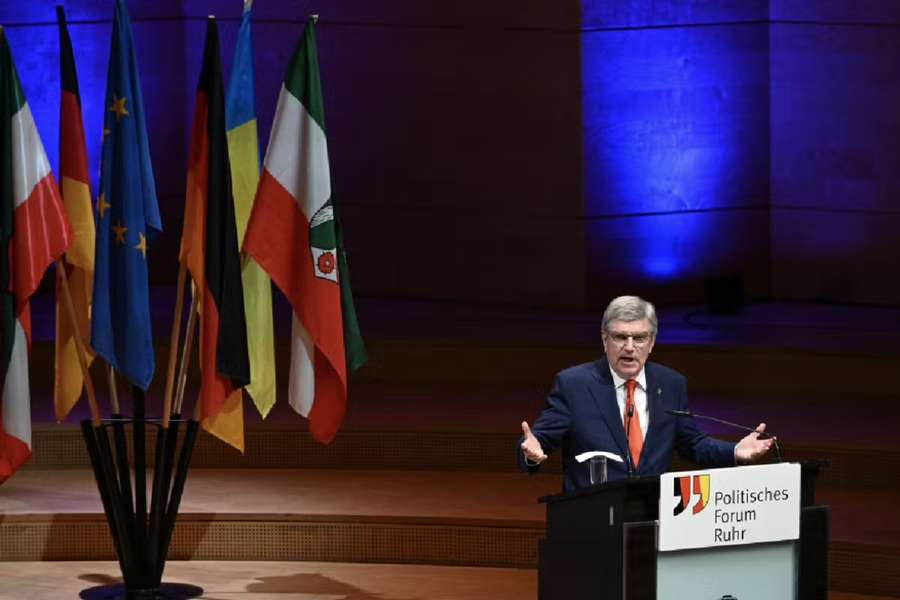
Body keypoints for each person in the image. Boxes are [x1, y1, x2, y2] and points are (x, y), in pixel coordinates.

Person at [519, 295, 773, 492]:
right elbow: (539, 440)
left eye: (639, 338)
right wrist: (530, 452)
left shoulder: (671, 383)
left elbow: (692, 444)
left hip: (652, 518)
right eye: (620, 337)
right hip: (590, 518)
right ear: (604, 339)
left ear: (651, 343)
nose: (630, 347)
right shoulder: (574, 384)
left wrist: (734, 452)